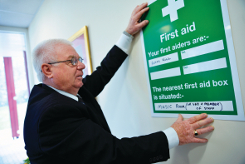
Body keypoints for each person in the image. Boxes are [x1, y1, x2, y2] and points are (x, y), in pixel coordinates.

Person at [24, 3, 214, 164]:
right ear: (48, 70)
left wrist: (128, 34)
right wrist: (174, 135)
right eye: (72, 61)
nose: (81, 65)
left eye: (79, 58)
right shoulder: (53, 113)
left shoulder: (63, 92)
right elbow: (114, 152)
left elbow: (102, 73)